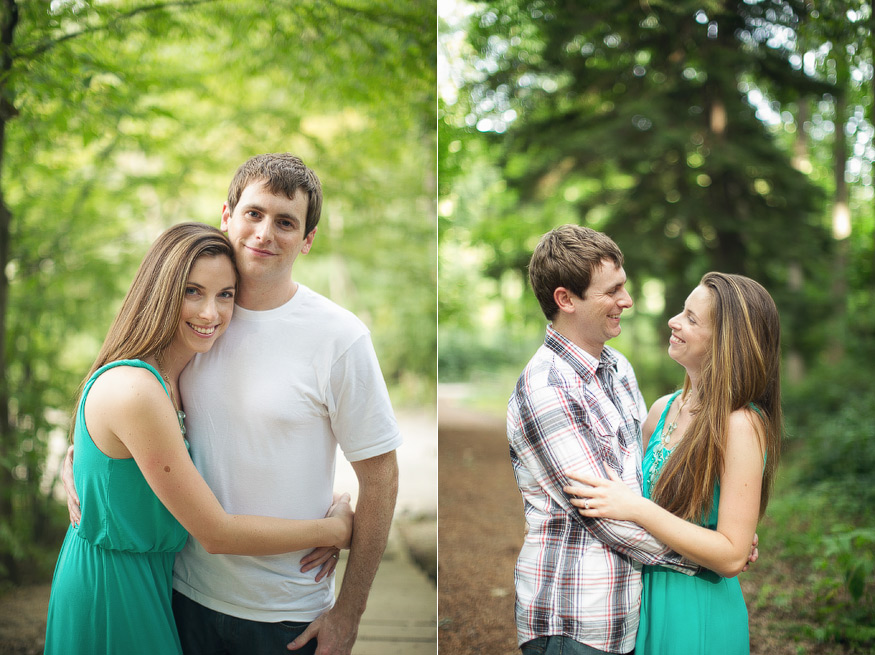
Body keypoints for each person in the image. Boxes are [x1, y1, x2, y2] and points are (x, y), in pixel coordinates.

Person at [65, 154, 402, 655]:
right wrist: (78, 466)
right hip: (179, 596)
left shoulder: (339, 337)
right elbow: (121, 405)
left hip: (285, 612)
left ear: (306, 240)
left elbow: (382, 475)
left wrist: (348, 614)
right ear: (227, 216)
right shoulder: (191, 323)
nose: (265, 233)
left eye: (286, 222)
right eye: (254, 213)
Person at [507, 224, 702, 655]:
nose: (626, 301)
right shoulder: (547, 389)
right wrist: (709, 556)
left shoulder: (618, 368)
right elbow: (605, 517)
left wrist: (713, 532)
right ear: (566, 299)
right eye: (612, 291)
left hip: (628, 615)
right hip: (575, 622)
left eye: (624, 287)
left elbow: (641, 482)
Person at [565, 272, 782, 655]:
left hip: (697, 610)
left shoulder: (740, 425)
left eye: (691, 318)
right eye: (682, 310)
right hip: (639, 601)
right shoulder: (661, 411)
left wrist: (640, 510)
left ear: (725, 344)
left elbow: (731, 555)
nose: (673, 321)